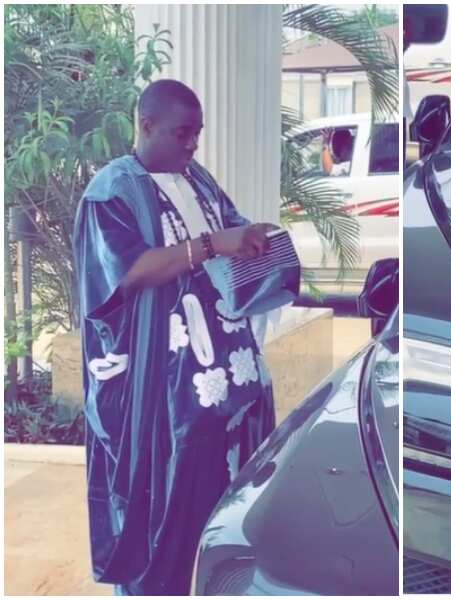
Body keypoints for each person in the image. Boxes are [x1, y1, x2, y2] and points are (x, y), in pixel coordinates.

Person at [72, 79, 278, 595]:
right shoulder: (112, 191)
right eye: (182, 133)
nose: (192, 145)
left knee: (217, 509)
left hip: (218, 389)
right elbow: (130, 272)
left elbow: (229, 228)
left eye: (197, 134)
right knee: (160, 519)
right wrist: (210, 245)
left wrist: (254, 239)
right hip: (157, 399)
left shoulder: (198, 179)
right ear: (145, 126)